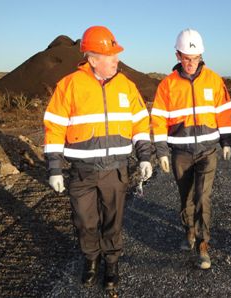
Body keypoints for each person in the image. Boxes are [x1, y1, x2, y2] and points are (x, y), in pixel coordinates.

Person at [43, 25, 152, 294]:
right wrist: (54, 168)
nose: (117, 60)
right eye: (110, 55)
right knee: (85, 220)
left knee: (113, 221)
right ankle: (91, 259)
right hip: (82, 171)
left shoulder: (127, 86)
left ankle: (112, 264)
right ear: (93, 59)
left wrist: (145, 157)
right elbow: (54, 126)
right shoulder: (69, 85)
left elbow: (140, 122)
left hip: (115, 170)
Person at [151, 29, 231, 270]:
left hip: (207, 151)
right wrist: (161, 151)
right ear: (177, 55)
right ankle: (189, 230)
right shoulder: (167, 85)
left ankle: (203, 244)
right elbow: (157, 118)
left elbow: (224, 112)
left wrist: (226, 141)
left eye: (194, 58)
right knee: (186, 196)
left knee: (202, 196)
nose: (190, 63)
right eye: (186, 57)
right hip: (180, 152)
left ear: (201, 56)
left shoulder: (214, 80)